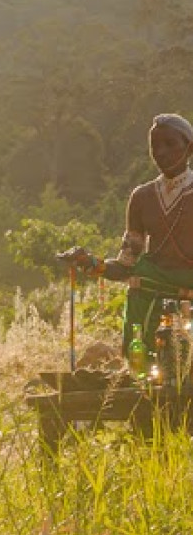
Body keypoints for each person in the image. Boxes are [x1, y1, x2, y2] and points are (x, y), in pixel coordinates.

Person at [60, 113, 193, 358]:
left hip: (188, 308)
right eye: (155, 146)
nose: (161, 152)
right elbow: (126, 266)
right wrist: (89, 262)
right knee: (142, 380)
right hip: (145, 306)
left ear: (190, 147)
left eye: (169, 144)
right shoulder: (142, 197)